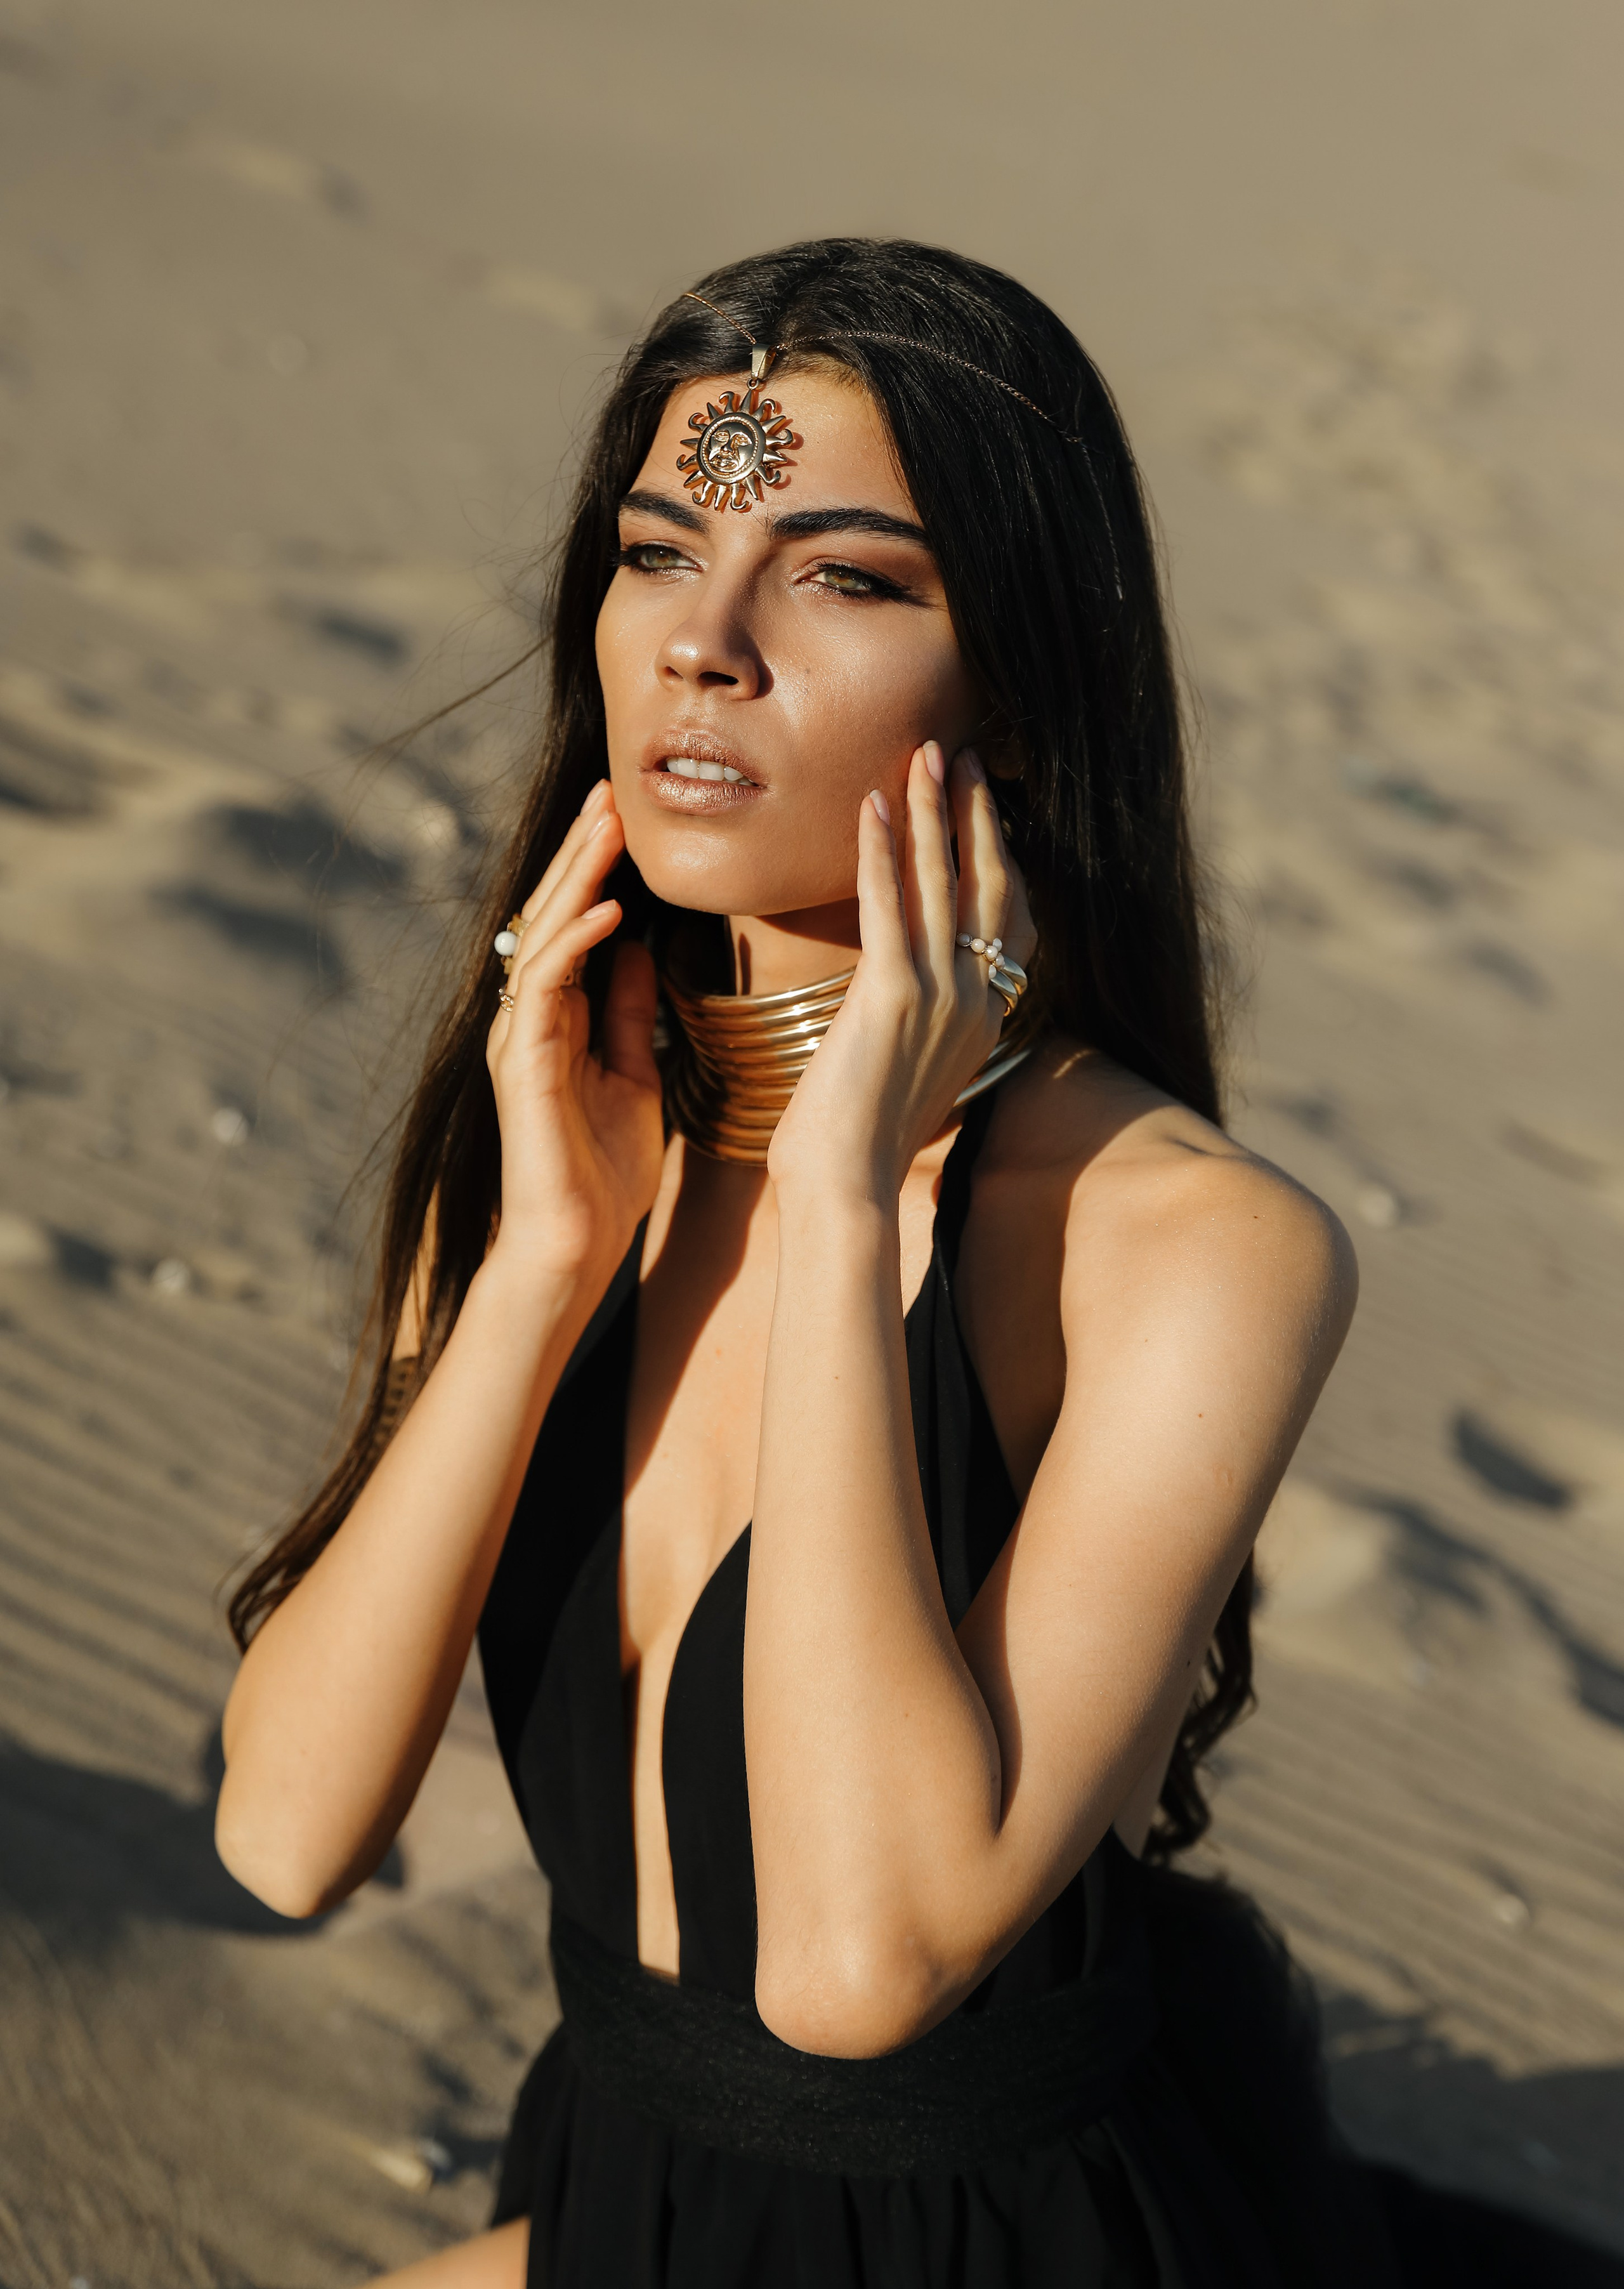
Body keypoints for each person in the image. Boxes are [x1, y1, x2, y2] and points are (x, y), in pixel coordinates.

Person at [214, 239, 1400, 2288]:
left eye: (845, 579)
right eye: (659, 552)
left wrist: (847, 1203)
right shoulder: (560, 1141)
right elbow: (291, 1834)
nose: (707, 646)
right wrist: (540, 1271)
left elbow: (865, 1967)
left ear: (1021, 695)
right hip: (623, 2199)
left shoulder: (1194, 1250)